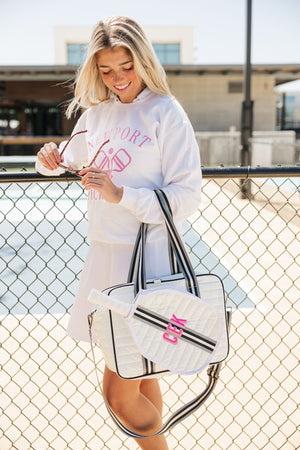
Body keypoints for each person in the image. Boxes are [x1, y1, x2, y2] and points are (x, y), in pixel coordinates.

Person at [36, 16, 202, 450]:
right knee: (140, 376)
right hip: (106, 258)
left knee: (117, 393)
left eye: (126, 66)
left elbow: (185, 198)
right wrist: (48, 157)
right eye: (107, 70)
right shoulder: (97, 113)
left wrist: (120, 193)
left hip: (149, 263)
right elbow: (66, 160)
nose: (118, 78)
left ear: (143, 60)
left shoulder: (166, 112)